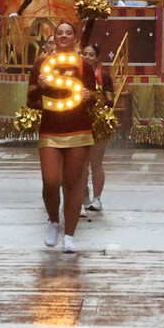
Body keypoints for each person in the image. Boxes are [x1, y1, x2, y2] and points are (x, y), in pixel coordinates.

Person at [28, 20, 98, 253]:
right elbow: (30, 100)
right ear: (54, 37)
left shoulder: (83, 65)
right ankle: (53, 220)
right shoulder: (42, 64)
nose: (64, 36)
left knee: (72, 182)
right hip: (50, 129)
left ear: (75, 38)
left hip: (78, 129)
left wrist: (89, 96)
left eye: (69, 32)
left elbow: (96, 98)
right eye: (60, 33)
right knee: (50, 181)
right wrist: (40, 87)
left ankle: (69, 234)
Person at [81, 43, 115, 213]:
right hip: (80, 122)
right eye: (84, 54)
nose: (87, 57)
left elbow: (110, 101)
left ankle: (97, 198)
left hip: (99, 123)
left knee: (96, 162)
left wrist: (95, 98)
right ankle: (83, 196)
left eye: (91, 54)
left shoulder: (104, 77)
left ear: (97, 58)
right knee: (81, 163)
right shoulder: (75, 75)